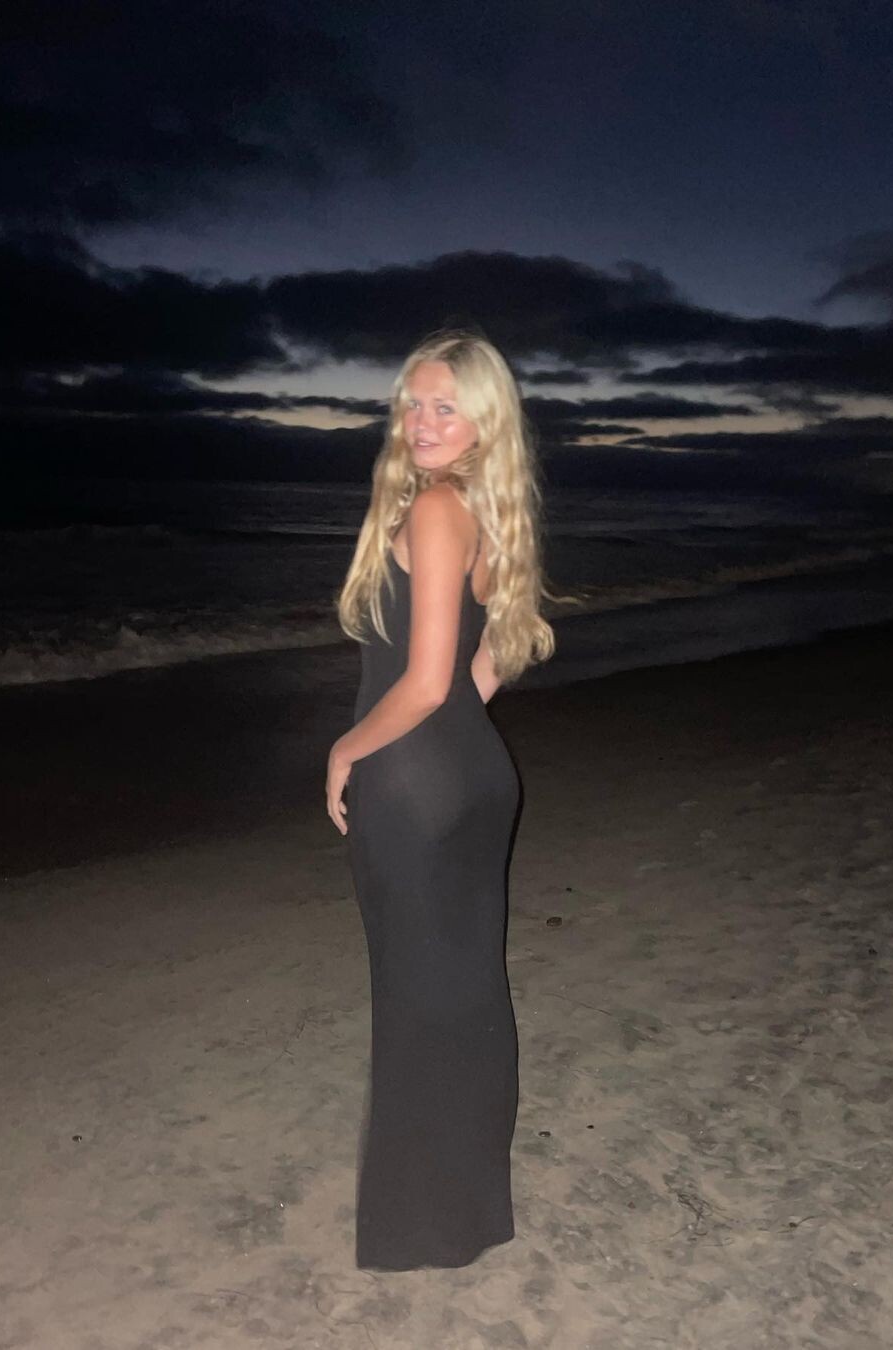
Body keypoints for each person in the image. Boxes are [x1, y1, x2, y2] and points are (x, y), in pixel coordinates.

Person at [327, 328, 557, 1270]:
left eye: (445, 408)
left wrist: (346, 750)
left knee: (416, 997)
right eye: (413, 404)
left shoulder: (432, 508)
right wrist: (457, 717)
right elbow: (496, 649)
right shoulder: (489, 506)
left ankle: (423, 1224)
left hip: (416, 783)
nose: (422, 423)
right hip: (476, 773)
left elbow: (423, 683)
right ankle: (469, 1211)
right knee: (467, 991)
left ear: (482, 420)